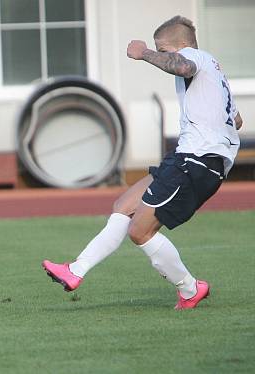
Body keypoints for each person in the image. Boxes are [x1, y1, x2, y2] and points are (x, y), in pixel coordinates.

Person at [42, 15, 244, 310]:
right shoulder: (213, 70)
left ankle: (190, 289)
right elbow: (236, 120)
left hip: (198, 160)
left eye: (163, 50)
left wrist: (144, 53)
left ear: (181, 45)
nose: (161, 56)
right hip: (188, 155)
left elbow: (183, 65)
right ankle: (75, 271)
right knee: (124, 205)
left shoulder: (192, 57)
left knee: (140, 231)